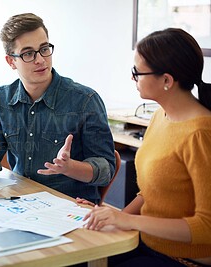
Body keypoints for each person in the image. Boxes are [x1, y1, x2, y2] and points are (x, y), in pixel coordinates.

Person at [80, 28, 211, 266]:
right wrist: (115, 216)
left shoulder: (200, 135)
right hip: (147, 242)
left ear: (167, 81)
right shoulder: (161, 116)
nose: (133, 78)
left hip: (182, 259)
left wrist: (129, 222)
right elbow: (153, 192)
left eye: (136, 72)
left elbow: (206, 227)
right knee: (79, 254)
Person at [0, 13, 115, 203]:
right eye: (28, 53)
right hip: (19, 202)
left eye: (44, 49)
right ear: (11, 61)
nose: (40, 60)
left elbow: (106, 169)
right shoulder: (2, 98)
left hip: (69, 206)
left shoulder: (85, 100)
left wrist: (69, 167)